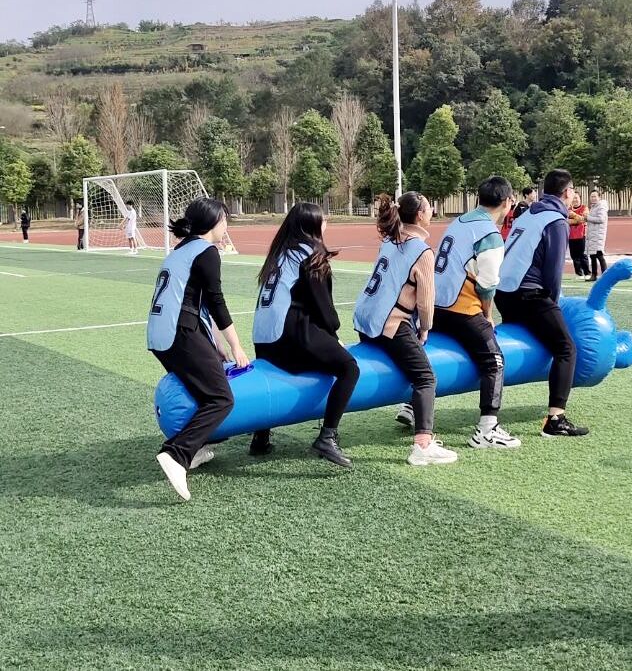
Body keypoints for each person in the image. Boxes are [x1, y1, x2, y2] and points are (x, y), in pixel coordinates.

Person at [147, 198, 250, 502]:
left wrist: (215, 344)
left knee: (203, 391)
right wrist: (236, 346)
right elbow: (216, 302)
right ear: (214, 222)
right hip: (179, 332)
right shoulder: (207, 251)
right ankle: (177, 453)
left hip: (160, 334)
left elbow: (196, 301)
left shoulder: (181, 249)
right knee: (221, 398)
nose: (226, 225)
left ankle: (198, 448)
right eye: (225, 220)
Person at [353, 191, 458, 466]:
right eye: (429, 207)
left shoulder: (390, 241)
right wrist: (425, 328)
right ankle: (423, 445)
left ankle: (411, 413)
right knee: (426, 377)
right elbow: (425, 301)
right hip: (389, 325)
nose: (432, 211)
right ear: (420, 215)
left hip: (365, 322)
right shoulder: (422, 250)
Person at [251, 203, 360, 467]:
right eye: (323, 220)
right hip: (287, 338)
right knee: (349, 368)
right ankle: (328, 437)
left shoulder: (279, 254)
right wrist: (333, 334)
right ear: (312, 225)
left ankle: (260, 436)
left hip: (262, 341)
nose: (326, 224)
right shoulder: (312, 255)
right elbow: (323, 307)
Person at [495, 168, 588, 437]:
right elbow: (553, 272)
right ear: (567, 192)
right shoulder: (556, 221)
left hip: (504, 293)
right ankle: (555, 419)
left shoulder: (528, 213)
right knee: (566, 348)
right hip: (529, 295)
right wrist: (554, 304)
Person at [429, 176, 520, 449]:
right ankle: (487, 429)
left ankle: (412, 406)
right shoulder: (490, 235)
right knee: (495, 361)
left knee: (431, 357)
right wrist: (487, 315)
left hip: (435, 306)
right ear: (507, 202)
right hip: (460, 308)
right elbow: (487, 285)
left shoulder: (459, 221)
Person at [585, 190, 608, 282]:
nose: (593, 198)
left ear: (599, 197)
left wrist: (588, 218)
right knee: (592, 255)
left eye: (595, 196)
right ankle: (594, 275)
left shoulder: (601, 206)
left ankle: (605, 275)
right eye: (591, 196)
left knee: (599, 255)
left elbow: (601, 219)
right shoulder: (593, 207)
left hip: (598, 235)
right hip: (592, 234)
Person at [567, 191, 590, 280]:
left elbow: (583, 219)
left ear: (580, 199)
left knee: (582, 255)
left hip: (581, 235)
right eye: (573, 198)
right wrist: (576, 219)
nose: (575, 200)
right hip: (571, 236)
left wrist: (574, 215)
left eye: (576, 198)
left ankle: (587, 273)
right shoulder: (568, 209)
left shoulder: (584, 208)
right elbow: (566, 221)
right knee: (574, 256)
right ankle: (578, 273)